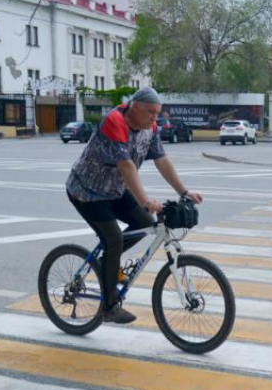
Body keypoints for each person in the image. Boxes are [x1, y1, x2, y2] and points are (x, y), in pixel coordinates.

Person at [65, 87, 203, 324]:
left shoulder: (149, 128)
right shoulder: (114, 121)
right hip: (87, 191)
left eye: (157, 113)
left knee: (144, 223)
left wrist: (185, 192)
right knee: (114, 238)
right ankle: (109, 307)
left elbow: (162, 159)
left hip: (115, 190)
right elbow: (126, 165)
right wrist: (144, 200)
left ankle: (107, 263)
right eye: (150, 112)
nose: (154, 118)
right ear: (135, 106)